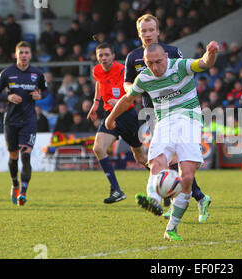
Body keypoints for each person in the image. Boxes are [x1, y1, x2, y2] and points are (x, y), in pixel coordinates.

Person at [105, 41, 219, 241]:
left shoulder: (180, 66)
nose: (155, 67)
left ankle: (171, 229)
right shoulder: (144, 78)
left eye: (158, 62)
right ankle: (153, 200)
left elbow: (203, 63)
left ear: (166, 57)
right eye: (150, 63)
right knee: (156, 163)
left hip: (189, 121)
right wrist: (110, 117)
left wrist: (211, 53)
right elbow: (126, 99)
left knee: (186, 177)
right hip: (164, 121)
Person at [123, 14, 211, 222]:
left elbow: (184, 74)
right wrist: (138, 88)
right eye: (144, 31)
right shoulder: (133, 57)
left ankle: (186, 199)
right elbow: (127, 84)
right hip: (152, 112)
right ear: (139, 33)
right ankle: (194, 198)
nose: (148, 34)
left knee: (174, 160)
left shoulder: (171, 52)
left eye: (151, 30)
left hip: (178, 112)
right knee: (164, 160)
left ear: (158, 31)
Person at [87, 42, 148, 204]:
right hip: (109, 115)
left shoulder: (122, 70)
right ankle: (116, 190)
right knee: (98, 148)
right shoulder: (97, 70)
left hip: (126, 114)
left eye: (107, 55)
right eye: (101, 55)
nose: (104, 58)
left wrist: (120, 101)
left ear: (113, 56)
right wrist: (95, 102)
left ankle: (165, 182)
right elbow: (99, 83)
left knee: (140, 157)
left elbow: (134, 92)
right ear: (97, 57)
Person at [0, 41, 48, 206]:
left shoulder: (37, 74)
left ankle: (23, 191)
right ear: (16, 54)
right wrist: (7, 97)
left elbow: (46, 90)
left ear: (31, 55)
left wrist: (40, 96)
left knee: (26, 154)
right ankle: (15, 183)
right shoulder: (7, 73)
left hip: (29, 120)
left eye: (26, 52)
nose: (23, 55)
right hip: (11, 120)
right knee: (13, 157)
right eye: (21, 52)